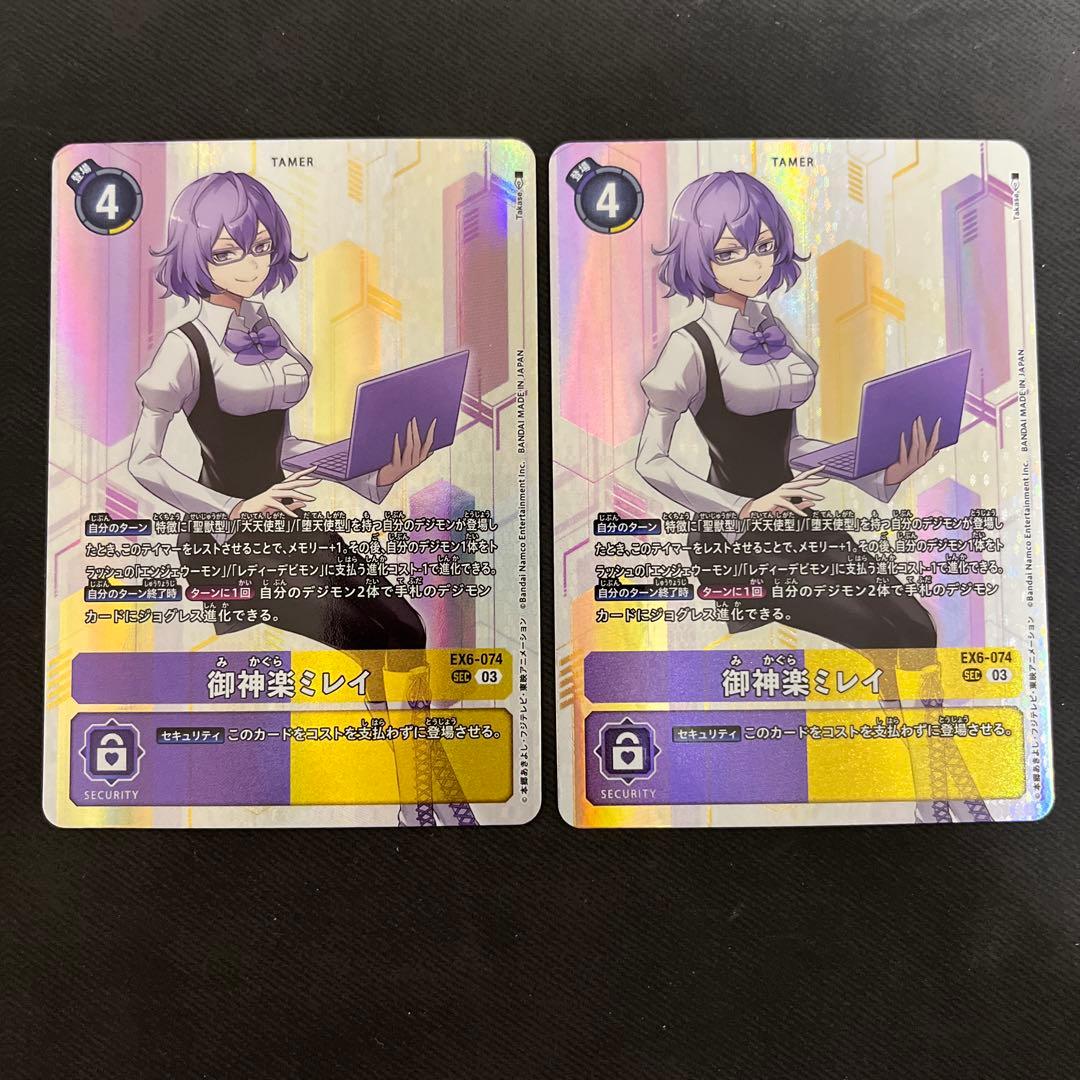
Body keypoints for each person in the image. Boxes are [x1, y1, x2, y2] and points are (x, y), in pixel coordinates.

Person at [129, 171, 475, 826]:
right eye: (228, 251)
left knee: (407, 627)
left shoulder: (266, 329)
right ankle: (420, 789)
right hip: (229, 544)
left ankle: (421, 783)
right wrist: (235, 508)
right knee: (374, 635)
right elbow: (141, 461)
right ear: (194, 254)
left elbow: (284, 446)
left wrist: (375, 472)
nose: (250, 264)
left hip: (289, 522)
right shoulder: (184, 347)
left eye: (260, 246)